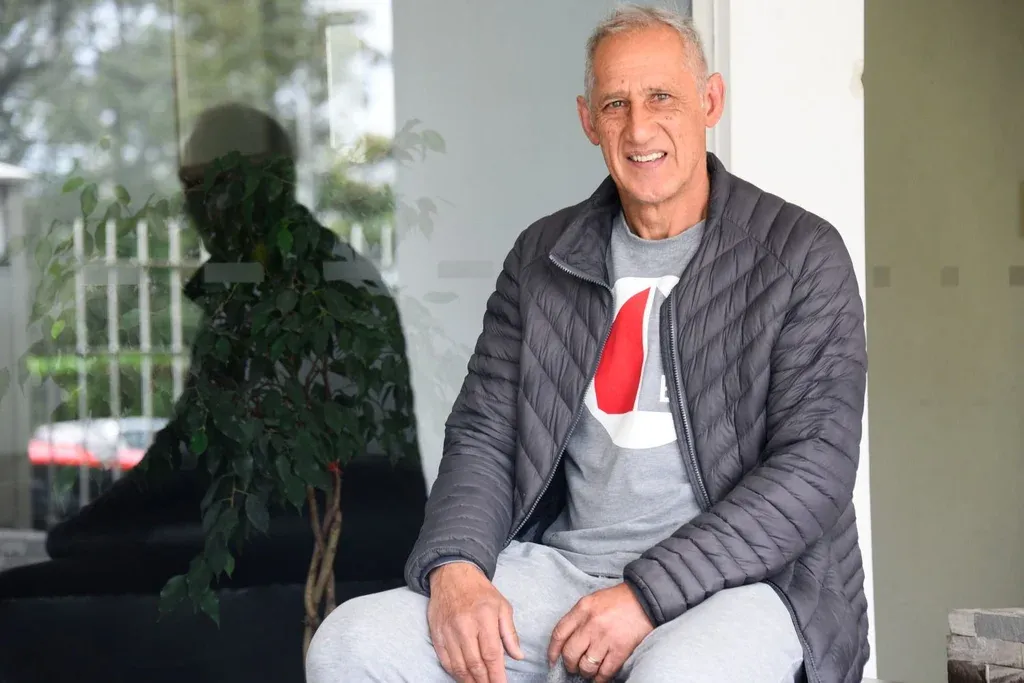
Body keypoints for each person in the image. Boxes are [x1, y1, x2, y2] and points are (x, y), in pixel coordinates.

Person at [306, 5, 868, 683]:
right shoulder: (543, 257)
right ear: (588, 120)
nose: (639, 127)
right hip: (564, 573)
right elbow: (485, 433)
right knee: (350, 644)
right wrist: (455, 566)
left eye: (662, 97)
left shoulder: (800, 255)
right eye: (615, 104)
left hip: (743, 584)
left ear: (710, 101)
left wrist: (646, 595)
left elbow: (813, 469)